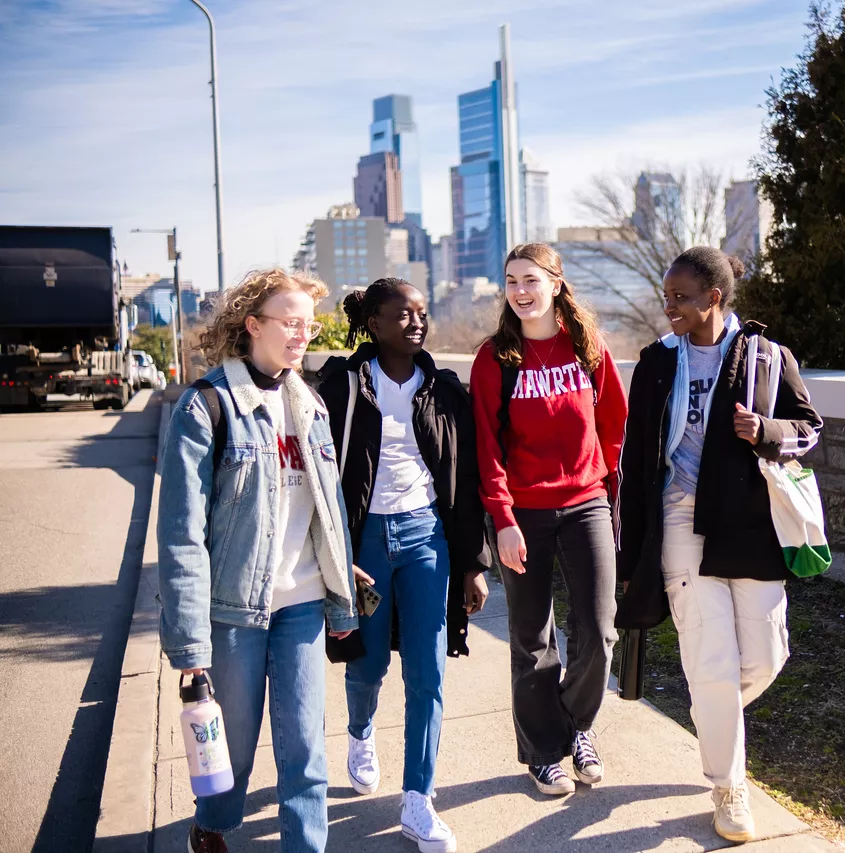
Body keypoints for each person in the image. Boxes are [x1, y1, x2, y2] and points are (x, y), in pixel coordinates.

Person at [614, 246, 823, 844]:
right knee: (710, 657)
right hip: (679, 518)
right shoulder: (656, 362)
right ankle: (729, 787)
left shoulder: (766, 355)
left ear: (714, 297)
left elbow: (809, 426)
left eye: (680, 297)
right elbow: (635, 456)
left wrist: (769, 432)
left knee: (764, 656)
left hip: (749, 520)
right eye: (666, 296)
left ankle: (714, 716)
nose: (669, 306)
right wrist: (632, 549)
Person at [157, 269, 359, 853]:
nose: (303, 334)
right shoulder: (207, 407)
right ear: (253, 325)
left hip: (302, 604)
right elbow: (180, 537)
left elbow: (328, 511)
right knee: (234, 746)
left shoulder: (309, 404)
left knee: (305, 750)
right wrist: (191, 647)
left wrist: (342, 594)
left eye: (309, 324)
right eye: (290, 323)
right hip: (231, 612)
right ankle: (214, 825)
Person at [316, 278, 490, 853]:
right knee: (364, 664)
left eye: (422, 313)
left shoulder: (443, 389)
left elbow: (464, 485)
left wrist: (472, 564)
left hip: (426, 539)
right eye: (402, 314)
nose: (416, 322)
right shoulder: (340, 385)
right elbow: (318, 479)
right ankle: (361, 731)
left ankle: (418, 801)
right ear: (373, 322)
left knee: (428, 671)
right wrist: (333, 555)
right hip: (363, 543)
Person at [471, 243, 627, 796]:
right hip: (523, 514)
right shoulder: (495, 359)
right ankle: (542, 753)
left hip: (586, 503)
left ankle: (575, 725)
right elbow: (487, 449)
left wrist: (603, 484)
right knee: (532, 638)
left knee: (600, 630)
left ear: (556, 283)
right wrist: (504, 520)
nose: (520, 291)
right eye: (511, 280)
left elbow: (613, 421)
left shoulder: (586, 346)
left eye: (531, 279)